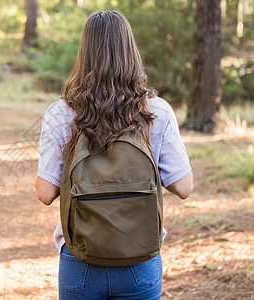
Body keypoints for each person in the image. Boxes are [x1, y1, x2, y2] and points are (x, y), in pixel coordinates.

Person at [35, 11, 193, 300]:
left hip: (80, 260)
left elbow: (46, 192)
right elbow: (183, 187)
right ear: (130, 51)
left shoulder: (61, 113)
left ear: (84, 53)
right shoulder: (156, 111)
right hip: (139, 259)